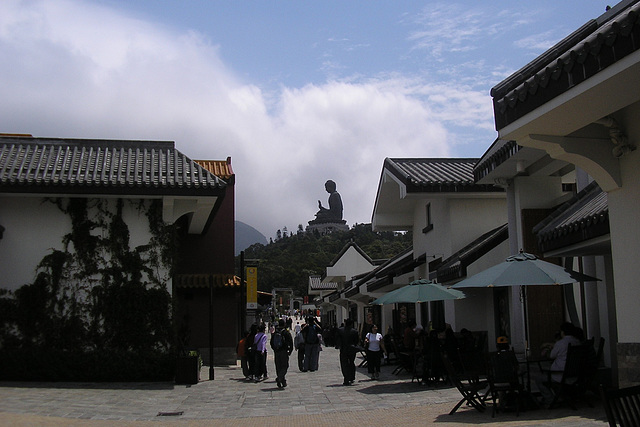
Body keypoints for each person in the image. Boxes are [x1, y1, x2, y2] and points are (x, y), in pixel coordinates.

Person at [535, 322, 582, 406]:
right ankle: (560, 396)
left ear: (562, 332)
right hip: (575, 375)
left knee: (539, 378)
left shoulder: (561, 343)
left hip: (560, 375)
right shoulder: (577, 342)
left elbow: (551, 356)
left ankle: (550, 399)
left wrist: (548, 350)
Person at [335, 318, 359, 385]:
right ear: (351, 324)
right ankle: (351, 377)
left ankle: (346, 378)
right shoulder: (354, 331)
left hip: (343, 350)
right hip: (352, 350)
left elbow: (337, 340)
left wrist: (338, 346)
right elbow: (356, 341)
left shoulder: (340, 330)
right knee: (351, 363)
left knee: (344, 364)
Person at [270, 319, 293, 388]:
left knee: (278, 366)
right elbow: (290, 342)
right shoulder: (286, 332)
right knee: (285, 366)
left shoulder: (275, 333)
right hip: (284, 351)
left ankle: (282, 381)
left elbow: (271, 343)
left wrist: (274, 349)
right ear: (284, 324)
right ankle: (279, 378)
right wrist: (290, 350)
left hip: (277, 352)